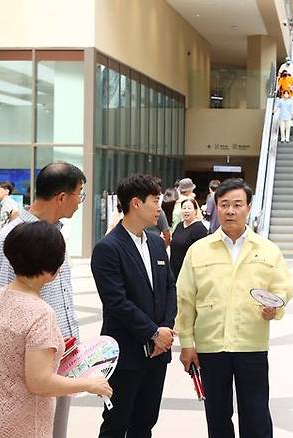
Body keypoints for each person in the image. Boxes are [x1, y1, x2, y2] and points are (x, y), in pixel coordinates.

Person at [176, 178, 293, 438]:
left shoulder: (268, 250)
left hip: (251, 345)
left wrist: (276, 308)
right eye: (224, 204)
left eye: (237, 204)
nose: (231, 211)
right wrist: (187, 342)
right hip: (210, 346)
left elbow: (283, 289)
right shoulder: (198, 251)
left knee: (256, 416)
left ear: (249, 207)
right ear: (216, 207)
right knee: (217, 417)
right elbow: (185, 299)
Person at [0, 222, 112, 438]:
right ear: (52, 270)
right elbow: (40, 382)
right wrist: (90, 384)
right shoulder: (40, 314)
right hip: (23, 426)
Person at [0, 162, 86, 438]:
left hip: (61, 360)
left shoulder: (55, 235)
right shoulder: (12, 237)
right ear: (62, 197)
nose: (81, 203)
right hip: (29, 368)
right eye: (80, 194)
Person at [91, 174, 177, 438]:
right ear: (136, 204)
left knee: (146, 422)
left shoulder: (155, 242)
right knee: (117, 423)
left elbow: (169, 288)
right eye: (155, 201)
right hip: (126, 353)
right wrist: (152, 332)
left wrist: (165, 328)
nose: (159, 208)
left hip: (157, 353)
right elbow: (116, 302)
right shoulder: (108, 248)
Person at [170, 198, 208, 280]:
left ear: (195, 211)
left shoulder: (199, 228)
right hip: (175, 270)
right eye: (184, 208)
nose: (186, 211)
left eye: (189, 208)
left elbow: (203, 253)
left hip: (190, 273)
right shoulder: (179, 225)